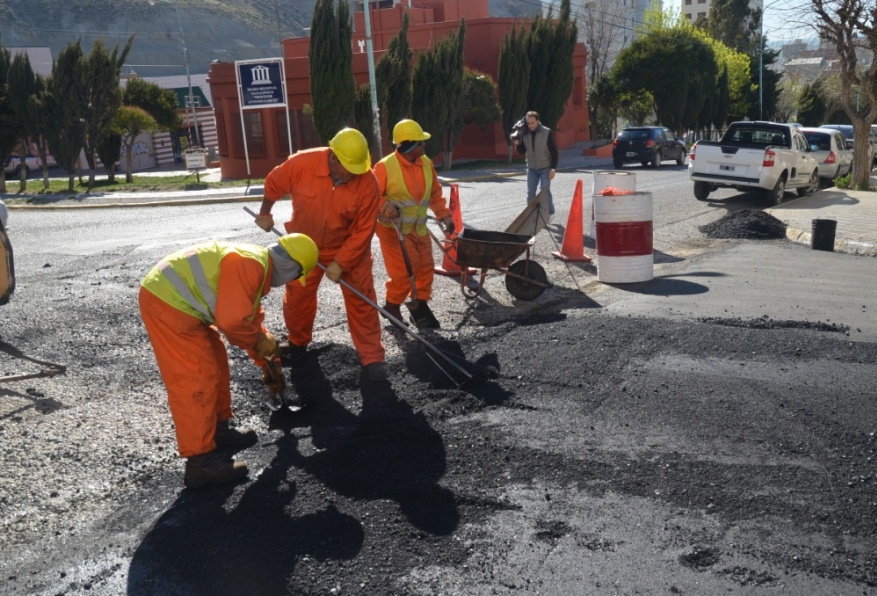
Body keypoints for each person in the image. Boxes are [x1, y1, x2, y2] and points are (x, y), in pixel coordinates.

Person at [139, 233, 319, 489]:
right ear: (291, 267)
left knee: (216, 362)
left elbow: (249, 321)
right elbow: (233, 322)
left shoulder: (257, 266)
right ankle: (200, 463)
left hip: (181, 306)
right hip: (168, 304)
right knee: (196, 378)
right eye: (295, 276)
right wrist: (258, 342)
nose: (290, 281)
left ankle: (218, 431)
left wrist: (268, 362)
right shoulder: (251, 264)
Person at [254, 128, 387, 382]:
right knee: (297, 298)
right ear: (334, 157)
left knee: (362, 302)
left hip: (348, 248)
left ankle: (372, 357)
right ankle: (298, 342)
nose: (354, 175)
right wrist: (265, 212)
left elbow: (363, 231)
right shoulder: (302, 163)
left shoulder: (368, 182)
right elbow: (273, 184)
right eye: (350, 169)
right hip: (303, 246)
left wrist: (341, 262)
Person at [373, 119, 454, 329]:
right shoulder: (385, 167)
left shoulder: (425, 163)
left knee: (425, 267)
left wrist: (445, 215)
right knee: (403, 273)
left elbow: (435, 193)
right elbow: (370, 196)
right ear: (409, 145)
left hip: (418, 229)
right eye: (420, 142)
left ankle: (419, 304)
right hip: (393, 231)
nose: (424, 146)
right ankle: (391, 306)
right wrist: (385, 206)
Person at [510, 111, 559, 216]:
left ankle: (550, 212)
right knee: (530, 193)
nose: (530, 125)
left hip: (545, 167)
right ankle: (532, 215)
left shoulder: (546, 132)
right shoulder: (524, 133)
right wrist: (517, 144)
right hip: (532, 168)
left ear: (537, 120)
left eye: (532, 122)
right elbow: (522, 151)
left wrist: (553, 168)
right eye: (528, 123)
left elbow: (554, 152)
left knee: (544, 191)